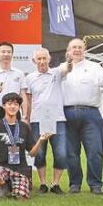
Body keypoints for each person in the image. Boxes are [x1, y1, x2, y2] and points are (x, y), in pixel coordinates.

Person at [61, 38, 103, 195]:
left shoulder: (94, 68)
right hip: (67, 113)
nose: (77, 50)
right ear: (68, 51)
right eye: (74, 47)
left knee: (94, 151)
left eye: (80, 47)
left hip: (91, 113)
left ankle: (95, 184)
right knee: (71, 152)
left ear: (84, 50)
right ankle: (74, 184)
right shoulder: (61, 69)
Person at [0, 92, 50, 200]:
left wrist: (40, 141)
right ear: (4, 106)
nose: (12, 107)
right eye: (9, 104)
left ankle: (12, 187)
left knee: (21, 198)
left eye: (16, 104)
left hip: (20, 168)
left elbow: (32, 153)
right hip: (0, 166)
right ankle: (3, 186)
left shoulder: (24, 127)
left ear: (19, 107)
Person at [25, 48, 70, 194]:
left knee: (61, 153)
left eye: (44, 58)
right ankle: (43, 184)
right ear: (34, 61)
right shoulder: (29, 78)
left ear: (49, 59)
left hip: (58, 119)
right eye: (39, 59)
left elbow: (67, 68)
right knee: (39, 153)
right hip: (37, 120)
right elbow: (28, 101)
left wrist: (69, 60)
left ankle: (55, 184)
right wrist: (27, 118)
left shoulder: (57, 73)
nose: (42, 61)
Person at [0, 42, 29, 121]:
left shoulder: (19, 73)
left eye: (9, 52)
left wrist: (24, 116)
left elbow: (23, 95)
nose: (6, 54)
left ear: (12, 54)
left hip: (15, 111)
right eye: (3, 52)